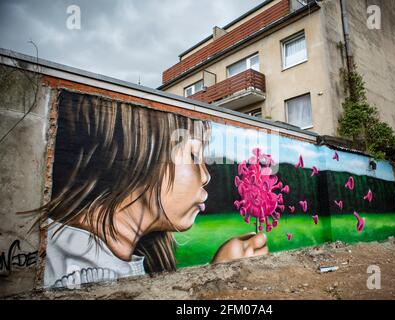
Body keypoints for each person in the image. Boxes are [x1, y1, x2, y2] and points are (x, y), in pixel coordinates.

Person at [29, 91, 267, 288]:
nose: (205, 175)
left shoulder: (99, 259)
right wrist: (217, 287)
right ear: (141, 156)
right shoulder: (79, 277)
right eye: (194, 155)